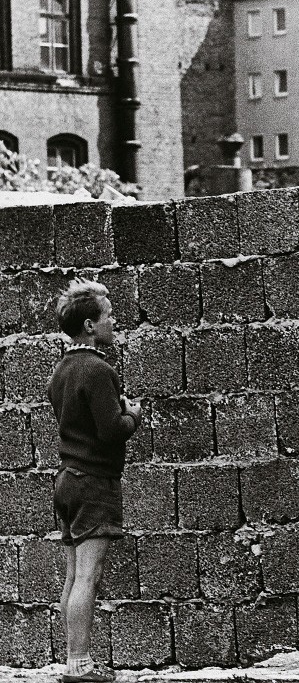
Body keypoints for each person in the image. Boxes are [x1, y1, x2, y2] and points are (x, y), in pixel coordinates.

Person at [48, 280, 141, 683]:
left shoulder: (61, 370)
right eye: (108, 315)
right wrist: (132, 415)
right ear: (90, 325)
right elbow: (111, 430)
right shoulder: (98, 369)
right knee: (89, 576)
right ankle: (80, 665)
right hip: (93, 483)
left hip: (67, 480)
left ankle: (73, 661)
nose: (113, 321)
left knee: (73, 576)